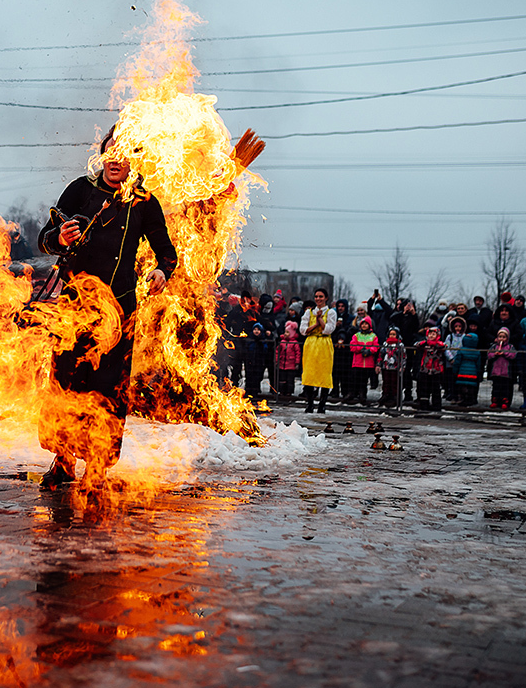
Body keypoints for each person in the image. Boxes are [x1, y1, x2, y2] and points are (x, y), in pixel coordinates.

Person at [35, 125, 261, 488]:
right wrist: (57, 238)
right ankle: (62, 461)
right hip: (75, 310)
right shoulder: (80, 190)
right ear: (102, 154)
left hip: (121, 313)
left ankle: (96, 468)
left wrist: (160, 270)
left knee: (108, 390)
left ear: (133, 159)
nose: (116, 159)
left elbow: (167, 253)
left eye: (123, 153)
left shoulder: (144, 201)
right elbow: (45, 239)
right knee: (67, 385)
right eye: (110, 151)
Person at [299, 287, 337, 413]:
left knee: (324, 374)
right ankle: (310, 403)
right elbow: (303, 330)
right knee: (309, 373)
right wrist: (315, 324)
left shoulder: (331, 312)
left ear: (326, 298)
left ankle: (322, 404)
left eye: (321, 296)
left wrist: (320, 319)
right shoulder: (309, 312)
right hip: (311, 343)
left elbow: (328, 329)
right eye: (316, 296)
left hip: (324, 343)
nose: (318, 299)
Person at [348, 316, 378, 405]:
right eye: (363, 324)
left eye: (366, 324)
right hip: (357, 362)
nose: (364, 325)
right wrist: (361, 349)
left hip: (368, 363)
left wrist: (370, 351)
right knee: (355, 379)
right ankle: (353, 394)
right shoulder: (356, 335)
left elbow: (376, 347)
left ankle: (362, 395)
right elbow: (352, 347)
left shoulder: (373, 336)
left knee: (364, 381)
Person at [485, 327, 516, 410]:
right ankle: (495, 401)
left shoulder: (510, 347)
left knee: (505, 388)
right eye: (500, 337)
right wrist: (495, 354)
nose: (501, 339)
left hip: (506, 372)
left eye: (504, 337)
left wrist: (505, 353)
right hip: (496, 371)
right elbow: (489, 355)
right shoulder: (494, 346)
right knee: (496, 387)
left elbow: (513, 355)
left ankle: (505, 401)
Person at [415, 326, 445, 411]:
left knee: (435, 389)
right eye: (430, 334)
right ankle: (424, 405)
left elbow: (444, 346)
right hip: (424, 369)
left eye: (433, 334)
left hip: (436, 370)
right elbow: (417, 345)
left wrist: (434, 343)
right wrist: (425, 343)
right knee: (424, 388)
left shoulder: (439, 344)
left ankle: (436, 406)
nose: (431, 336)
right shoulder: (424, 343)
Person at [377, 327, 405, 409]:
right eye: (390, 334)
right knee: (386, 382)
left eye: (394, 334)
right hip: (386, 366)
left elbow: (403, 357)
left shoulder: (400, 345)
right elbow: (380, 355)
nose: (392, 336)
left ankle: (395, 397)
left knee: (394, 382)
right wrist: (378, 364)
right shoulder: (385, 344)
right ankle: (385, 395)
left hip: (395, 367)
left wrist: (402, 366)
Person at [274, 319, 301, 402]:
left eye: (287, 332)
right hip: (282, 363)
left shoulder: (294, 343)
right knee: (282, 379)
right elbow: (277, 352)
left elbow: (298, 353)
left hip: (291, 364)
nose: (285, 334)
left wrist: (297, 363)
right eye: (285, 332)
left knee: (290, 379)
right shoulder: (282, 342)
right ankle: (282, 391)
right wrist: (277, 360)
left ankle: (289, 392)